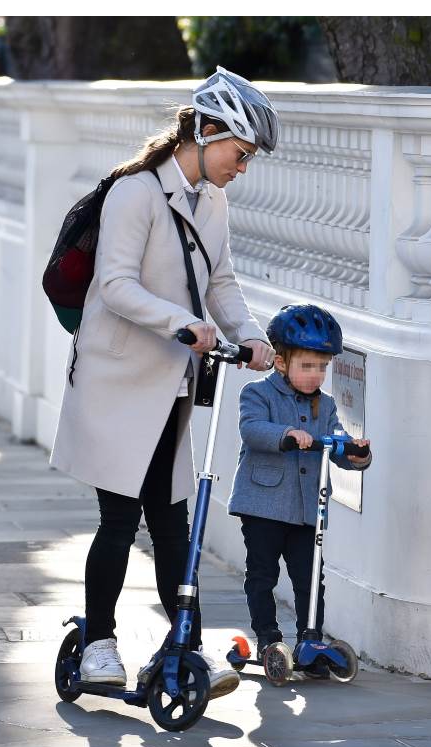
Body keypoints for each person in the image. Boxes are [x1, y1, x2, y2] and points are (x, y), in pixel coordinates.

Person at [51, 66, 280, 698]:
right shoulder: (136, 193)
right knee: (120, 519)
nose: (243, 167)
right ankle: (99, 640)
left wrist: (252, 336)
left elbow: (223, 284)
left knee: (174, 522)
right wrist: (186, 324)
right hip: (118, 381)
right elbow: (116, 285)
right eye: (240, 153)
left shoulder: (213, 200)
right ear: (206, 131)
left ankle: (189, 644)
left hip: (171, 386)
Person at [228, 304, 372, 660]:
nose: (316, 375)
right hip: (263, 505)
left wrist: (355, 453)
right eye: (307, 366)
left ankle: (311, 637)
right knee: (262, 574)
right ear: (281, 362)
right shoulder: (258, 394)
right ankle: (267, 636)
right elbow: (252, 429)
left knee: (310, 577)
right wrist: (287, 433)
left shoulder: (327, 405)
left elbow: (335, 439)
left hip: (308, 510)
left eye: (322, 367)